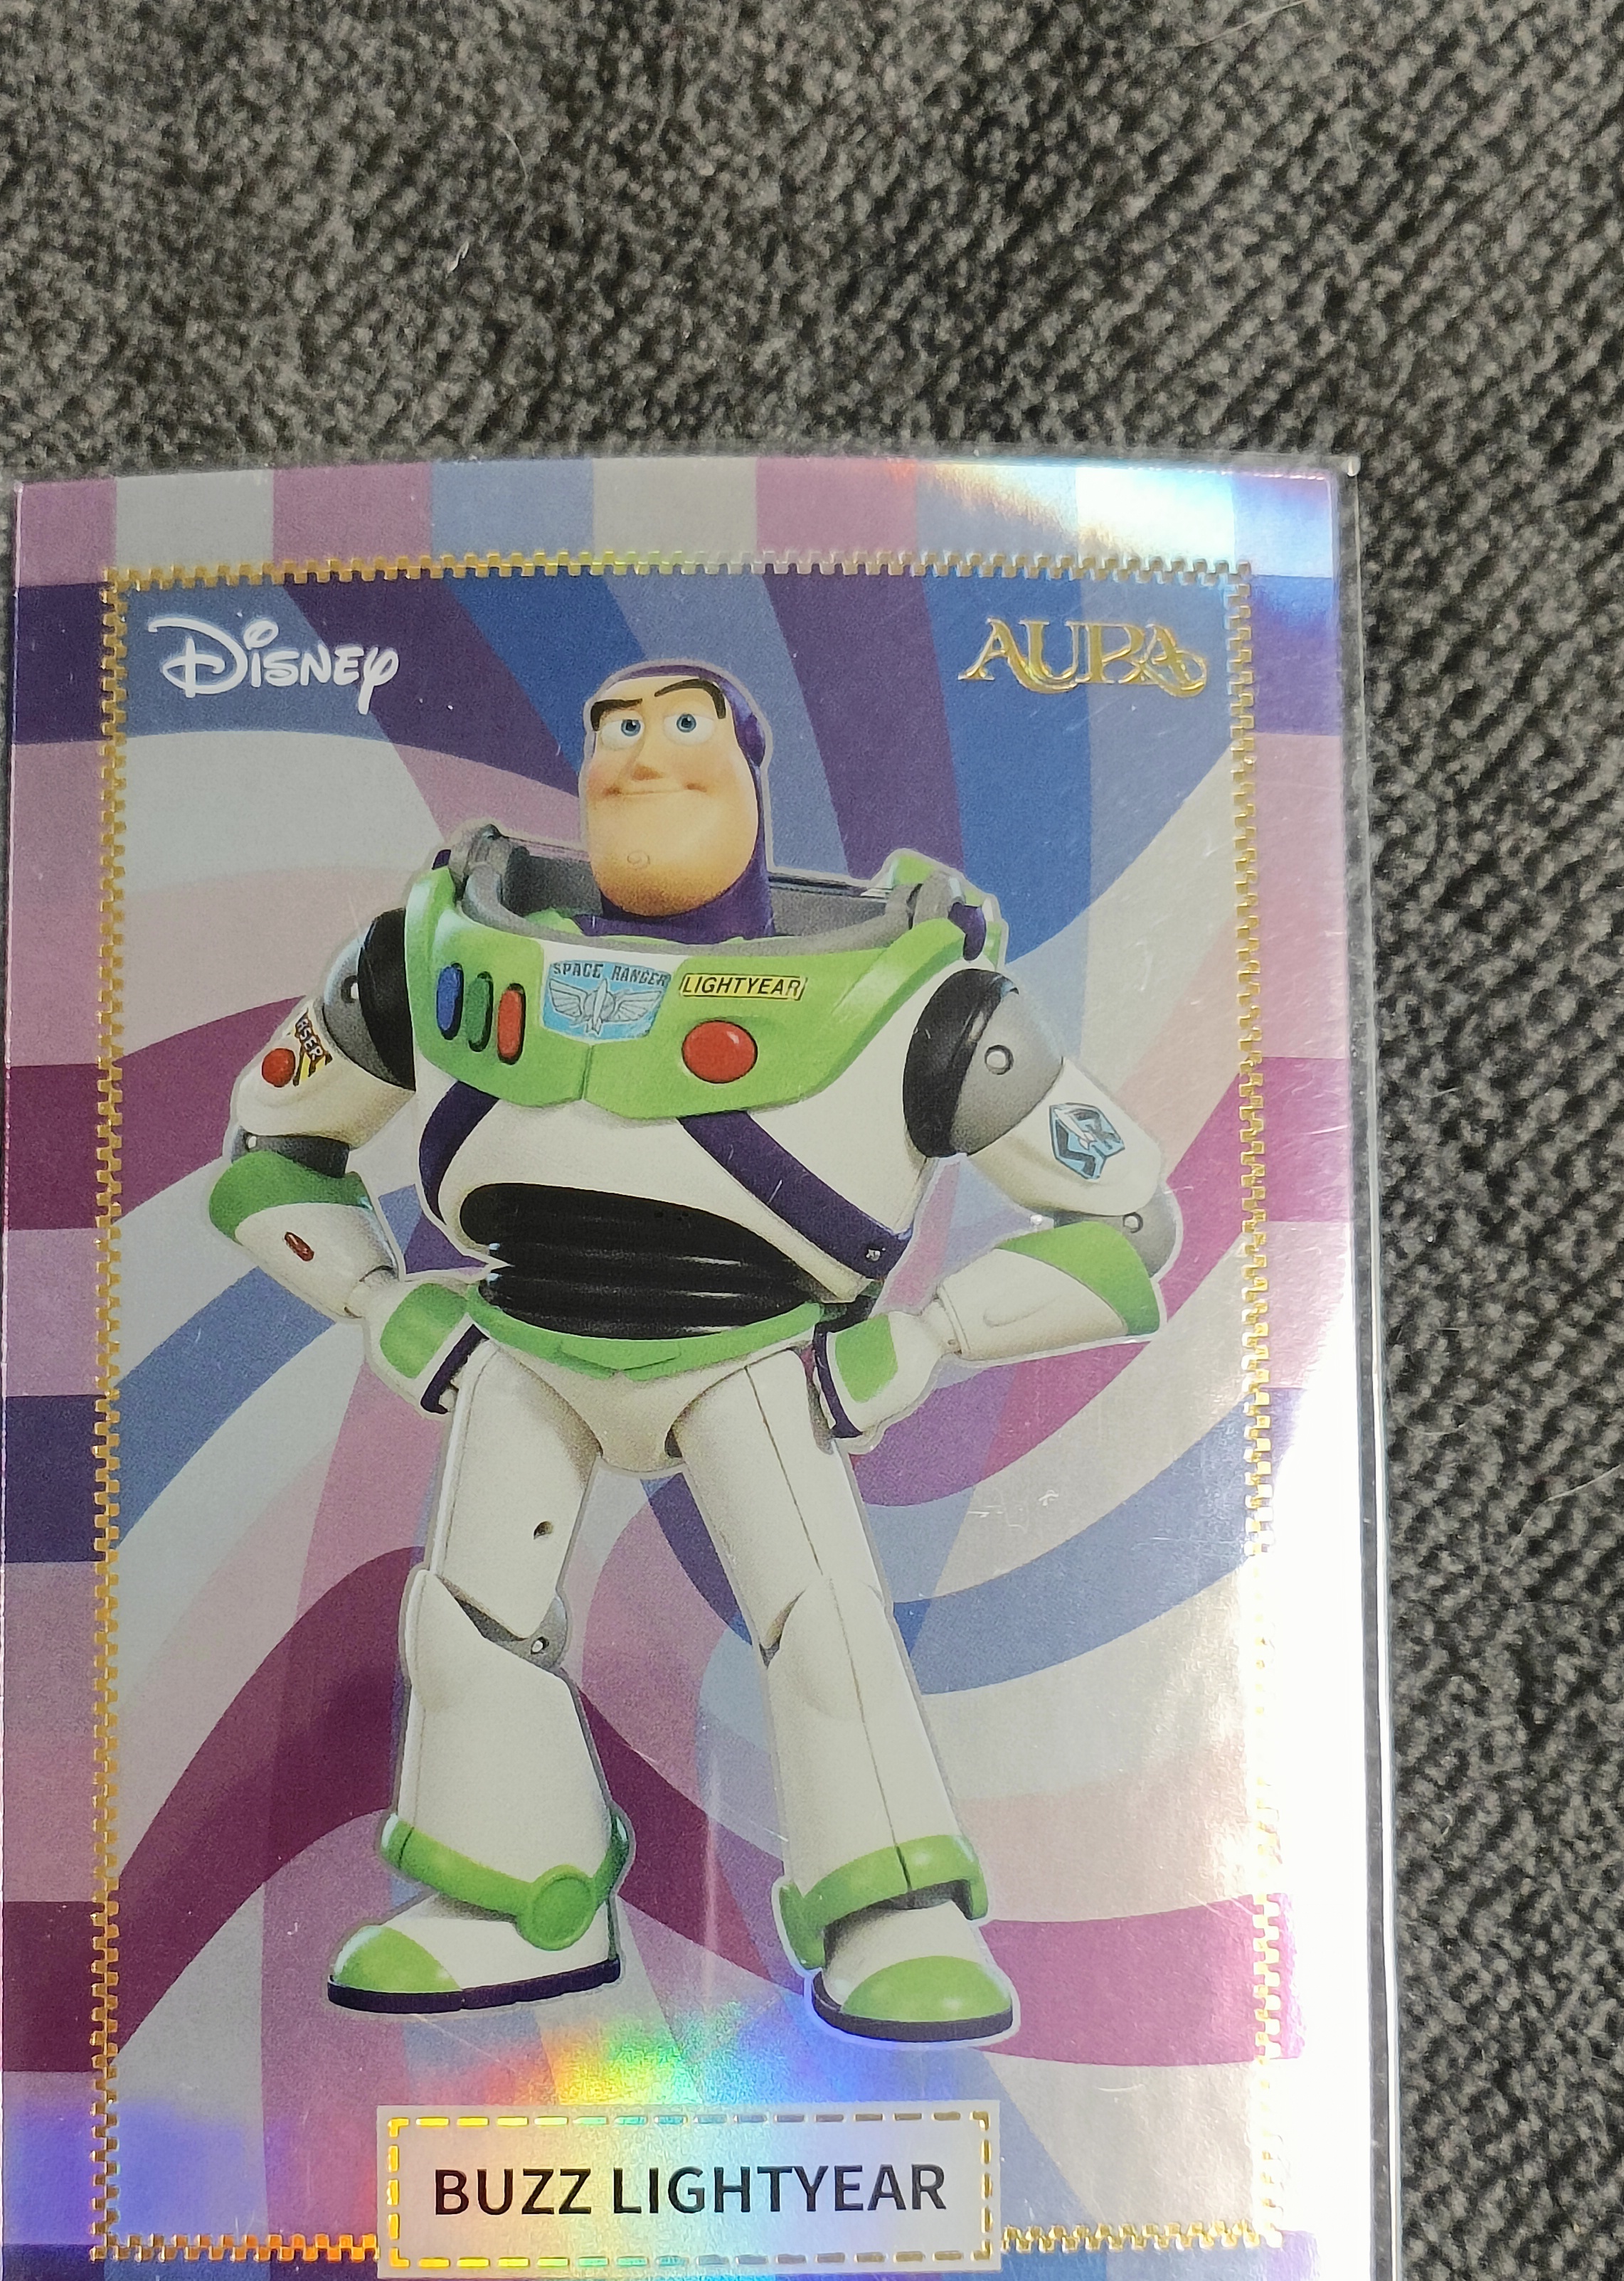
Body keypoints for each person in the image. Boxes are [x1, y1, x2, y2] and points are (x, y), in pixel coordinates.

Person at [208, 661, 1178, 2042]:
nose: (641, 758)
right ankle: (513, 1897)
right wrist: (376, 1301)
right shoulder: (434, 956)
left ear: (745, 759)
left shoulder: (913, 996)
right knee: (466, 1626)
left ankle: (893, 1912)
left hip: (757, 1355)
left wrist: (931, 1337)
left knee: (822, 1626)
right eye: (614, 730)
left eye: (679, 727)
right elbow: (270, 1150)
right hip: (518, 1343)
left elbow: (1123, 1216)